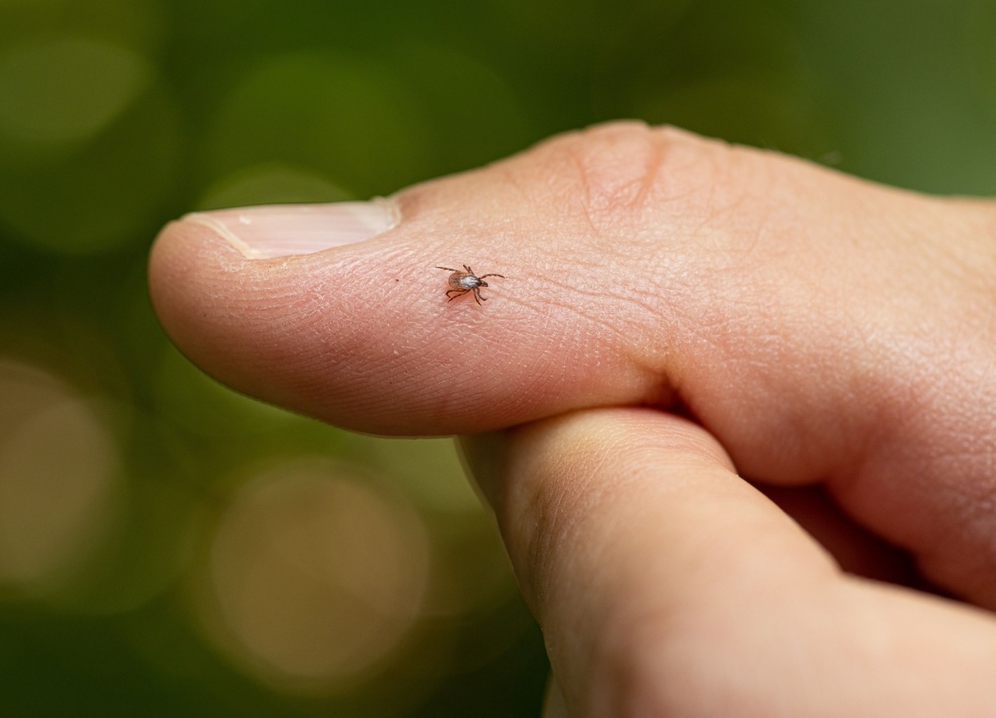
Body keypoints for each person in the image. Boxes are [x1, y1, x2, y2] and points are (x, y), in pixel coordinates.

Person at [149, 122, 996, 716]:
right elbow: (465, 287)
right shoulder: (468, 285)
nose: (470, 289)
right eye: (470, 284)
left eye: (469, 284)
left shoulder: (475, 285)